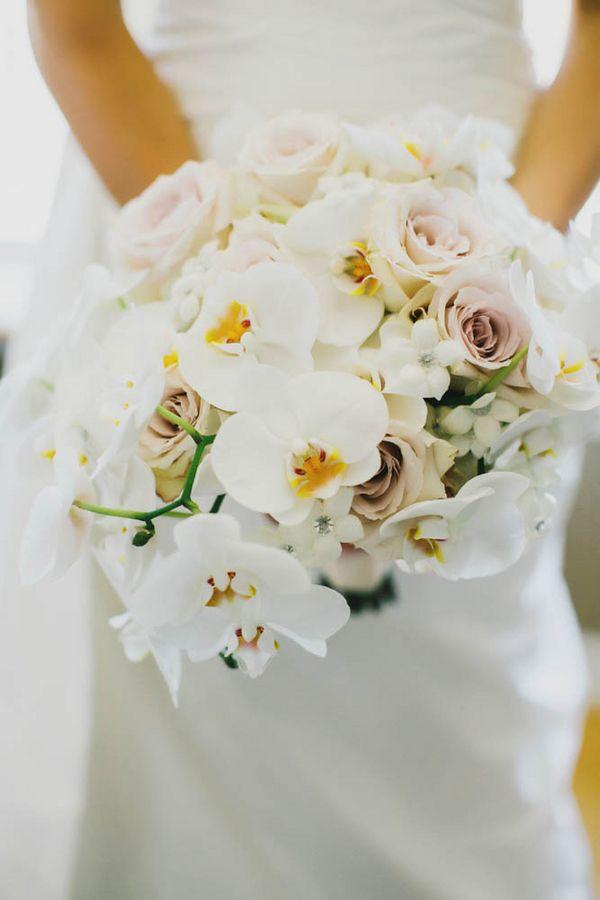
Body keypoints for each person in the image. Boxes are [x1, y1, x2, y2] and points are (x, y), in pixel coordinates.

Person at [3, 1, 600, 897]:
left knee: (461, 658)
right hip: (175, 183)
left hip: (489, 198)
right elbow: (72, 23)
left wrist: (506, 262)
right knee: (202, 671)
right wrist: (224, 271)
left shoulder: (497, 269)